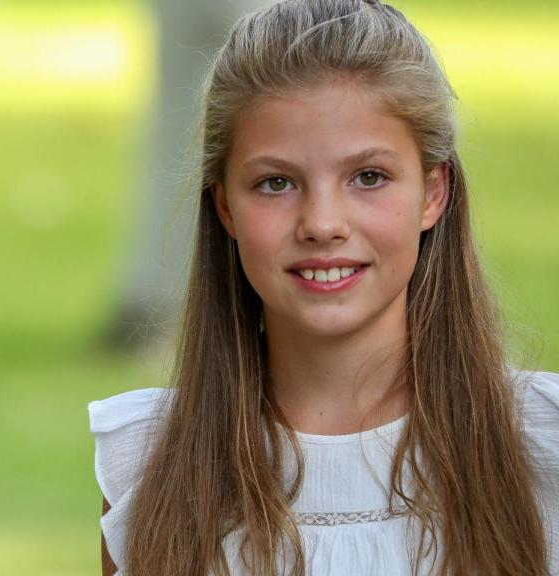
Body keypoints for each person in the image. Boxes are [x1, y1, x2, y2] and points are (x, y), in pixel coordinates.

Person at [89, 0, 558, 574]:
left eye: (368, 177)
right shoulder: (148, 462)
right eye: (277, 182)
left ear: (433, 192)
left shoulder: (540, 447)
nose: (322, 223)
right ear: (225, 208)